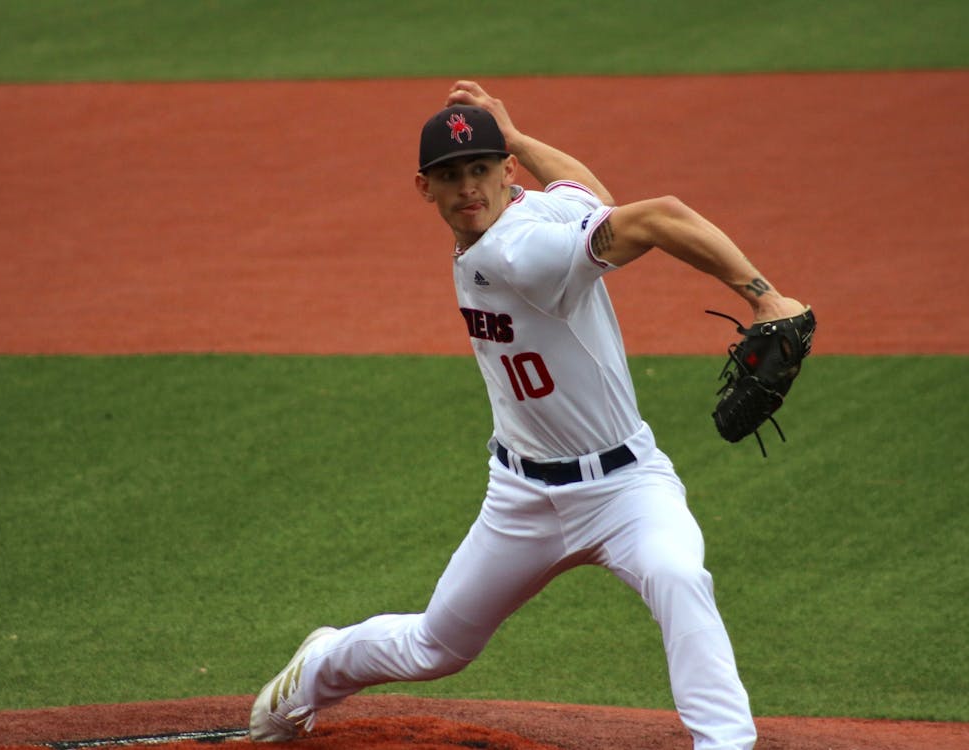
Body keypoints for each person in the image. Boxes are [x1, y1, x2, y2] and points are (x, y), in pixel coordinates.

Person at [249, 80, 809, 750]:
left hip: (626, 488)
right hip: (521, 496)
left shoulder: (529, 234)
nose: (468, 189)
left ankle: (725, 743)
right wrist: (767, 299)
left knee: (676, 572)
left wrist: (763, 296)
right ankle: (317, 667)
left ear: (506, 174)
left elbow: (651, 211)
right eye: (450, 176)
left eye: (483, 168)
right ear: (423, 188)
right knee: (438, 646)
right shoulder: (522, 238)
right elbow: (602, 197)